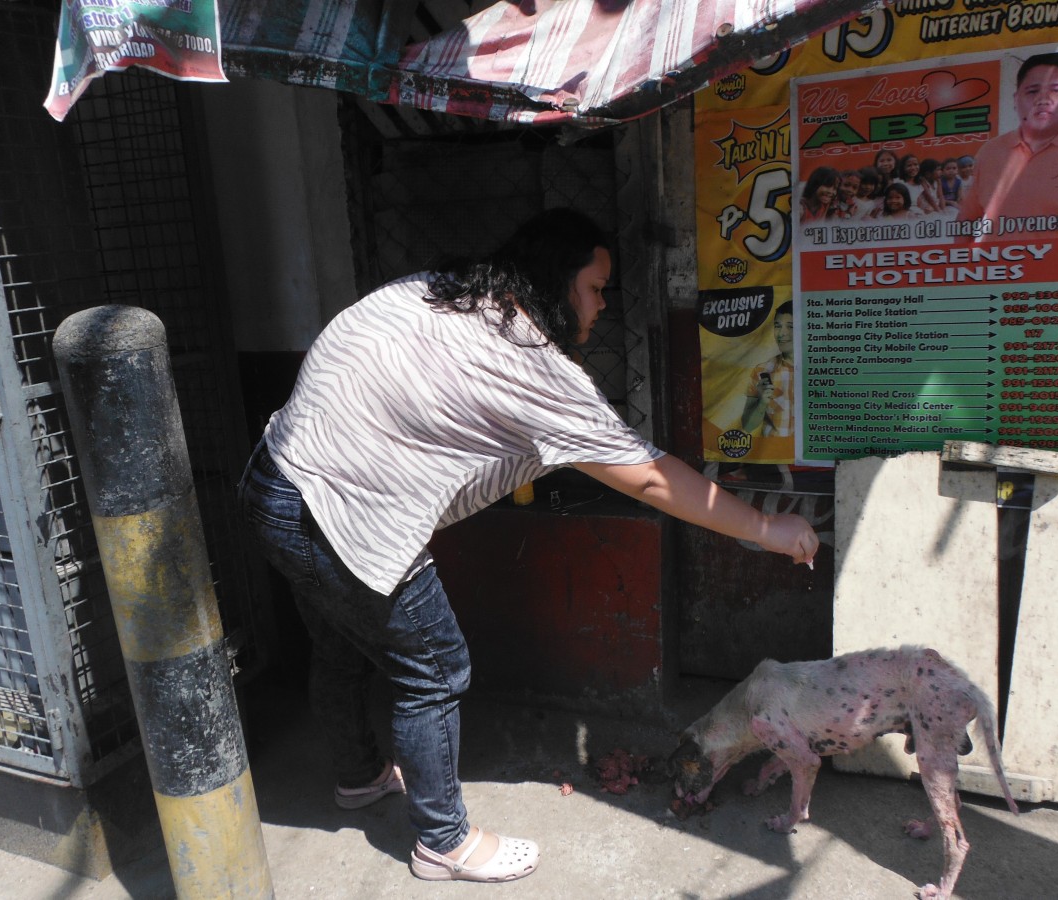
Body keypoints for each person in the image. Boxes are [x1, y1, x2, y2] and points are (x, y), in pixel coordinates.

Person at [237, 208, 819, 884]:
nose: (602, 304)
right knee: (434, 666)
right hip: (343, 517)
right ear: (557, 282)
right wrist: (766, 529)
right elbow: (654, 478)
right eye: (596, 287)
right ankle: (442, 843)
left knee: (341, 643)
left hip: (273, 479)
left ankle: (360, 776)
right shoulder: (533, 368)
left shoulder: (449, 288)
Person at [957, 51, 1058, 233]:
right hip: (1001, 261)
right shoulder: (991, 151)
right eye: (1033, 91)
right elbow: (966, 223)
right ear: (1016, 99)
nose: (1043, 100)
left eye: (1056, 90)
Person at [740, 301, 795, 437]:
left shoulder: (821, 369)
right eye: (777, 326)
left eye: (790, 326)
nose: (782, 333)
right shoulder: (762, 370)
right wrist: (762, 403)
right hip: (774, 454)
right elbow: (747, 426)